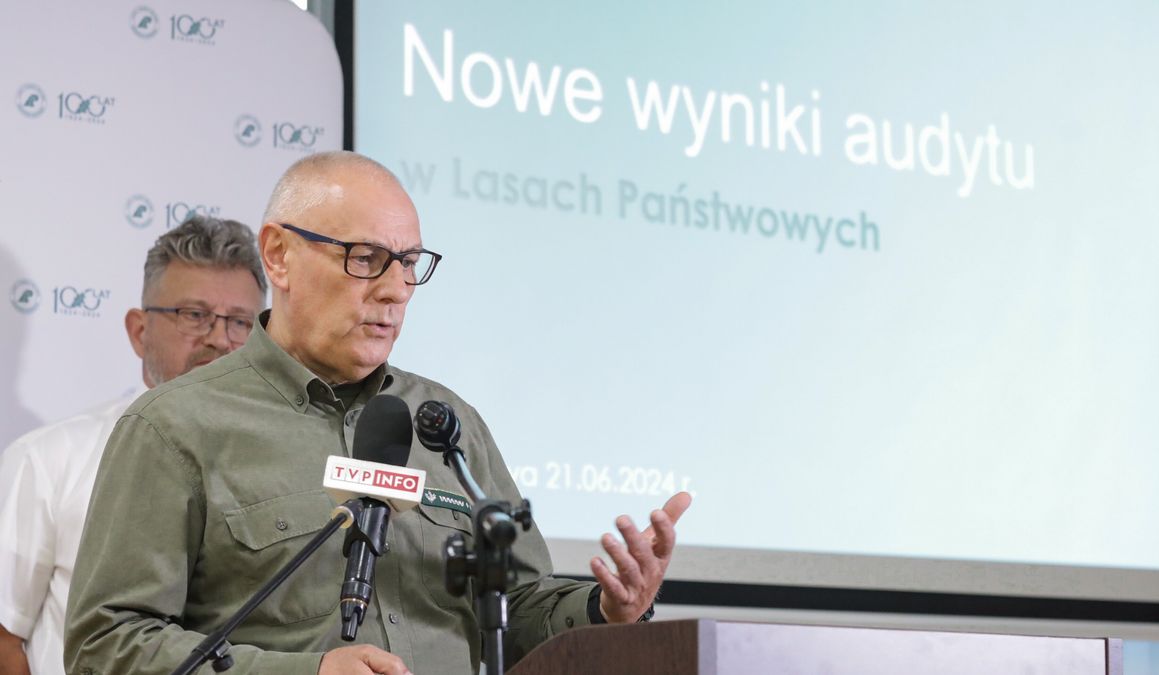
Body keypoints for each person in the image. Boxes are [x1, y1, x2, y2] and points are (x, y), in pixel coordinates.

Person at [64, 151, 691, 675]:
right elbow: (104, 647)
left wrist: (605, 611)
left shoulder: (449, 423)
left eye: (410, 263)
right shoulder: (175, 427)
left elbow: (519, 607)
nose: (394, 289)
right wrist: (305, 673)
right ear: (278, 256)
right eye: (364, 258)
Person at [0, 216, 267, 675]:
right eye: (194, 315)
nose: (221, 339)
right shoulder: (47, 460)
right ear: (139, 331)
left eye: (241, 322)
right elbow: (5, 636)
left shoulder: (285, 468)